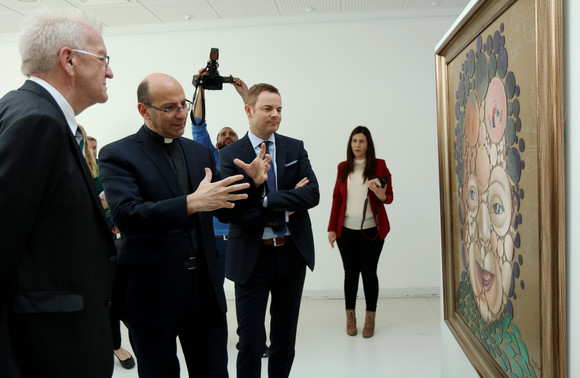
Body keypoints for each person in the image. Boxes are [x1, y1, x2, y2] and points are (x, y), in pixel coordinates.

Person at [99, 72, 270, 378]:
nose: (181, 114)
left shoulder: (199, 152)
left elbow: (227, 209)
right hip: (152, 293)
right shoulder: (117, 154)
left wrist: (253, 183)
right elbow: (126, 215)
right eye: (170, 108)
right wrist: (191, 203)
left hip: (203, 290)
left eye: (183, 104)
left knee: (213, 371)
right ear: (144, 110)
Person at [0, 7, 117, 378]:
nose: (109, 71)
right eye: (103, 59)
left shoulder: (24, 110)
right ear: (69, 60)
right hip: (49, 350)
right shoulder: (37, 122)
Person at [219, 83, 319, 378]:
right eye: (267, 109)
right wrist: (286, 205)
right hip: (252, 258)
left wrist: (265, 199)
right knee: (250, 342)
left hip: (291, 254)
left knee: (284, 341)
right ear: (249, 111)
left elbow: (312, 194)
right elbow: (231, 212)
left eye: (279, 109)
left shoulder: (294, 147)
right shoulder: (230, 156)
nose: (275, 115)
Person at [327, 126, 393, 338]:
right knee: (350, 273)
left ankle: (370, 317)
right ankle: (350, 316)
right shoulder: (343, 167)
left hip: (371, 231)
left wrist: (381, 194)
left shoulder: (379, 166)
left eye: (361, 141)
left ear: (368, 144)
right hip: (345, 231)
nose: (357, 145)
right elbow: (337, 199)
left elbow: (389, 197)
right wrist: (331, 228)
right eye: (354, 141)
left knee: (369, 272)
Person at [81, 129, 136, 369]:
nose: (92, 152)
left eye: (94, 148)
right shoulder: (67, 171)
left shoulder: (103, 172)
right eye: (87, 147)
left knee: (109, 298)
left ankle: (115, 345)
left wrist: (109, 215)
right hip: (77, 247)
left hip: (107, 242)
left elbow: (116, 203)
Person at [191, 73, 246, 282]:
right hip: (212, 240)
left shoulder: (247, 159)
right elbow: (198, 124)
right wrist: (200, 88)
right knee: (212, 294)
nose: (227, 136)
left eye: (231, 133)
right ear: (215, 144)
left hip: (240, 238)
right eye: (223, 134)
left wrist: (245, 94)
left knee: (246, 290)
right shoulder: (209, 156)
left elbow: (258, 125)